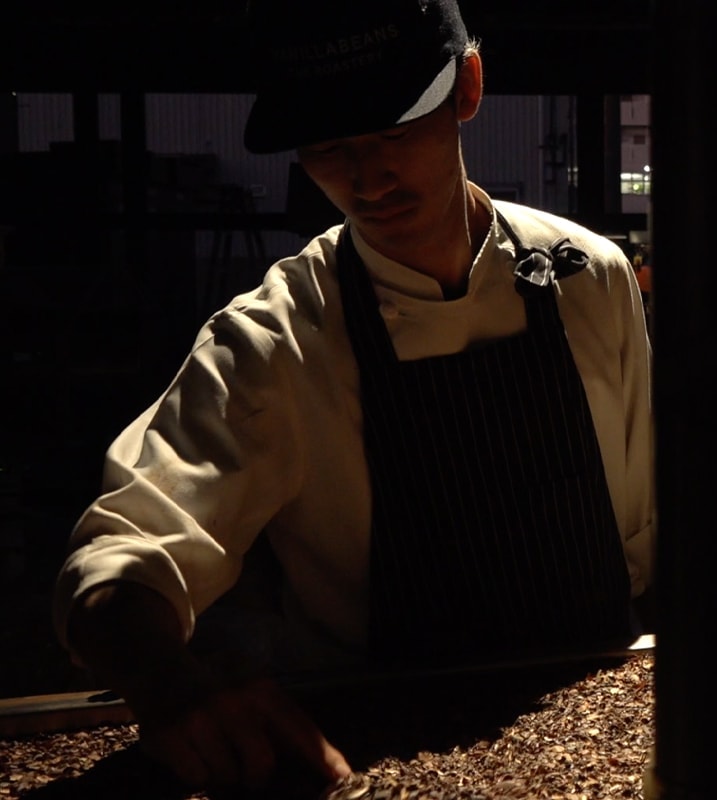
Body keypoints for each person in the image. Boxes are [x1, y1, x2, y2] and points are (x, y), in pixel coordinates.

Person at [52, 0, 655, 792]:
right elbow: (125, 555)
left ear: (467, 87)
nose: (368, 180)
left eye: (392, 133)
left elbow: (644, 536)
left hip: (595, 707)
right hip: (375, 741)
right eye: (329, 147)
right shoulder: (275, 340)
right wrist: (164, 678)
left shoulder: (591, 277)